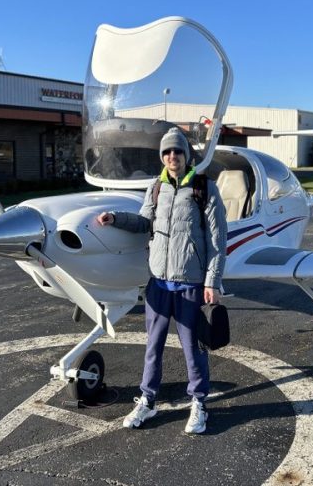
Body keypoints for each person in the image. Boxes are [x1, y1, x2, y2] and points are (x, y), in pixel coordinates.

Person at [97, 127, 227, 434]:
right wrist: (116, 218)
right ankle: (148, 399)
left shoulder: (204, 188)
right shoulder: (156, 187)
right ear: (162, 157)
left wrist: (212, 281)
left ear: (186, 155)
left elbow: (217, 240)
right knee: (152, 348)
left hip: (190, 285)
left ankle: (199, 403)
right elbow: (144, 221)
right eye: (166, 152)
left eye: (177, 151)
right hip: (158, 284)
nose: (172, 156)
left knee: (193, 349)